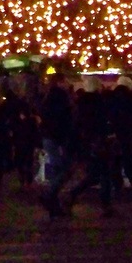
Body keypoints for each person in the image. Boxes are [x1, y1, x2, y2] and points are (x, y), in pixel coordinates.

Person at [37, 74, 74, 216]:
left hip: (49, 136)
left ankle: (53, 201)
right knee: (64, 168)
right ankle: (50, 193)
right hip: (57, 137)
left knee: (57, 168)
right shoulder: (60, 97)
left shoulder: (47, 97)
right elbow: (64, 118)